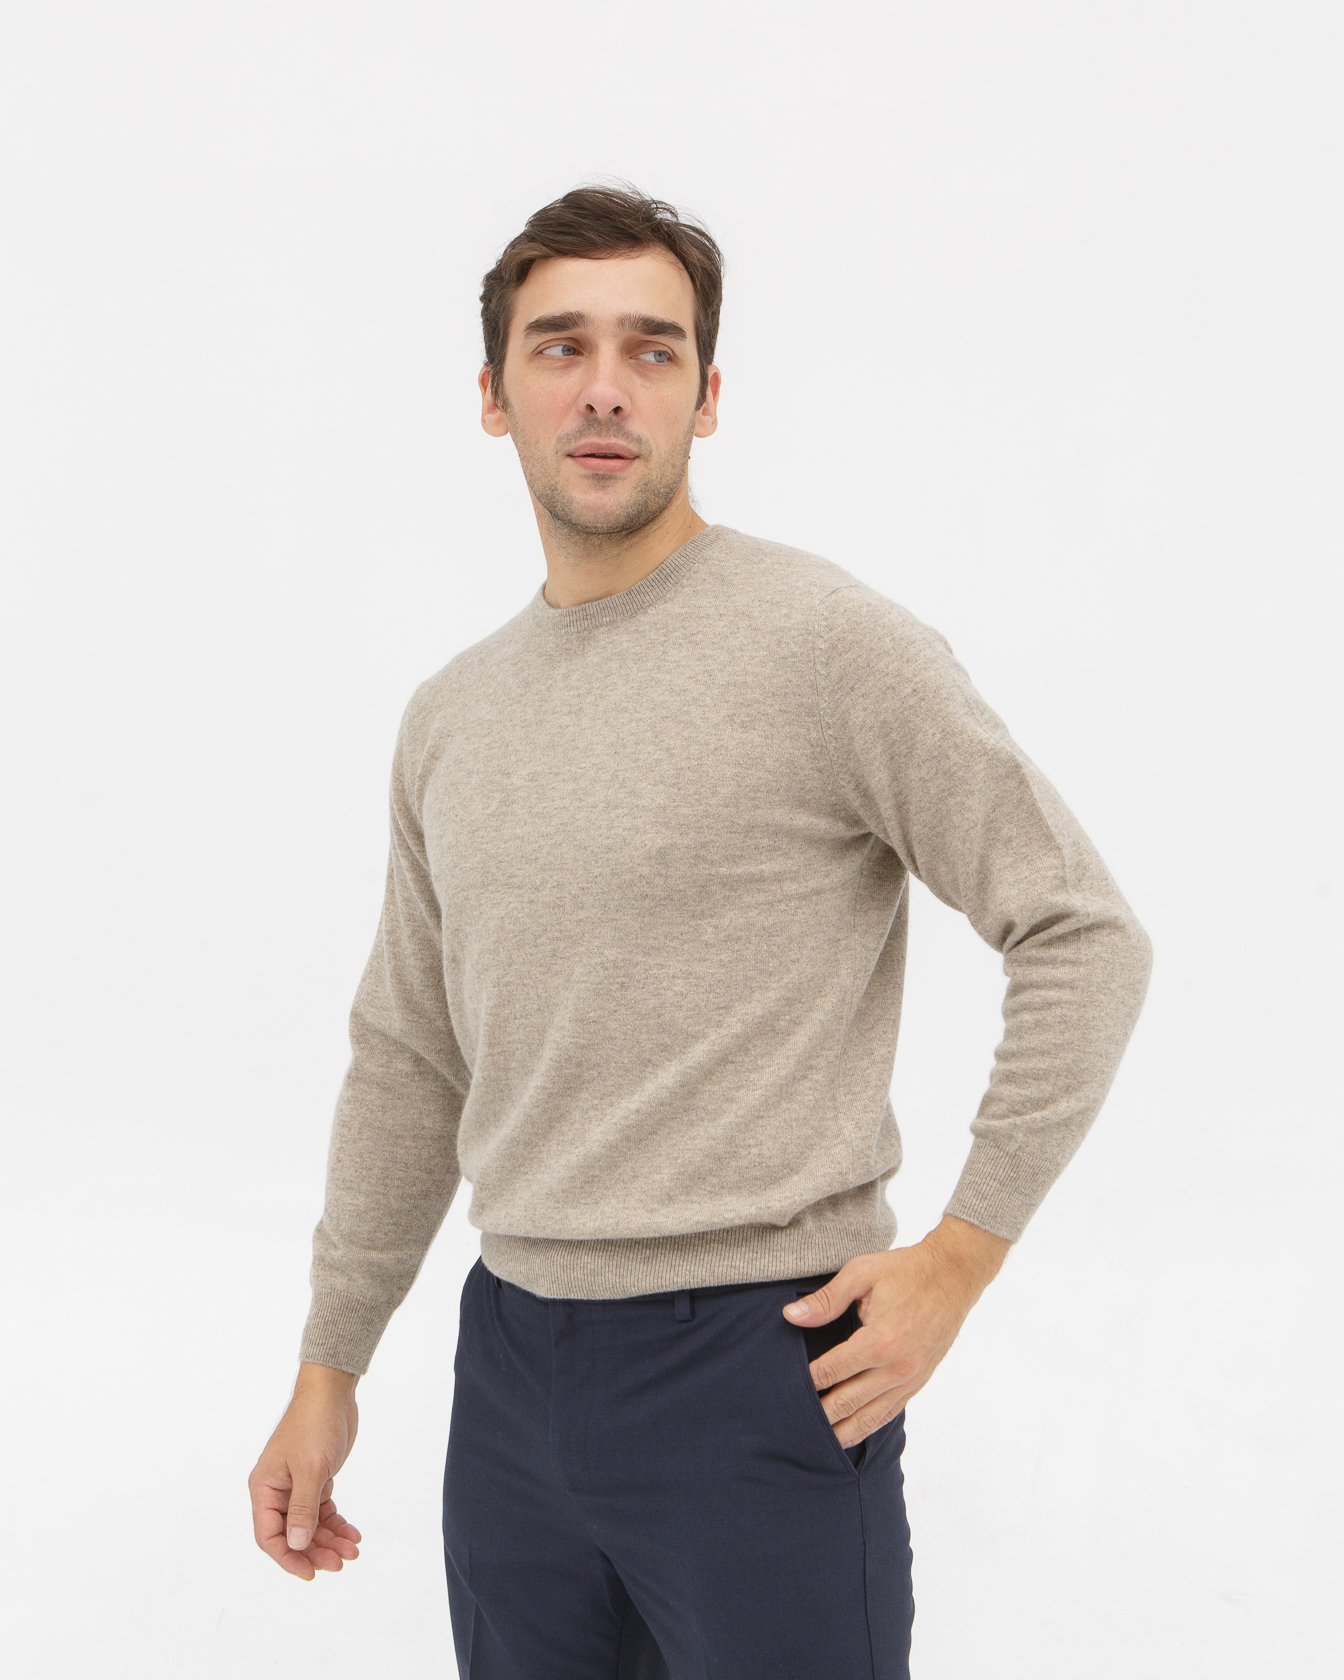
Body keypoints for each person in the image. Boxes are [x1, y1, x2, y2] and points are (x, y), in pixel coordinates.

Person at [248, 185, 1153, 1678]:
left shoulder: (829, 646)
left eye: (651, 349)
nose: (605, 386)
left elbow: (1082, 932)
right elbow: (411, 1053)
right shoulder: (451, 716)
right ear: (494, 395)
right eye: (560, 346)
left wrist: (960, 1258)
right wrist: (329, 1363)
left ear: (706, 396)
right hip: (511, 1372)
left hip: (759, 1365)